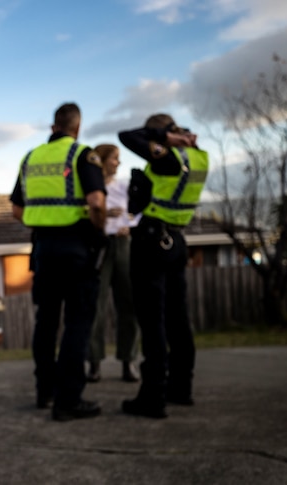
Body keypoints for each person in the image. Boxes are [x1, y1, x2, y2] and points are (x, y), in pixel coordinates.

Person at [10, 102, 107, 422]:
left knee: (46, 323)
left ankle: (45, 392)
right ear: (77, 127)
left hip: (44, 249)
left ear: (54, 125)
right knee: (78, 322)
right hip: (78, 247)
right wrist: (98, 227)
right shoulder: (83, 154)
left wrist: (44, 220)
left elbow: (17, 210)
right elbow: (96, 201)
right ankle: (69, 399)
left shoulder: (31, 157)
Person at [118, 114, 209, 419]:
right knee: (177, 319)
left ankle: (153, 396)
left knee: (152, 320)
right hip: (176, 241)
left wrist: (163, 136)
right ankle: (181, 388)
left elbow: (126, 136)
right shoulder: (196, 156)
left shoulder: (169, 157)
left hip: (152, 241)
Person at [86, 144, 141, 383]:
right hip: (99, 246)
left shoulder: (124, 187)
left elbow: (139, 212)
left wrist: (130, 225)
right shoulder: (91, 187)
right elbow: (86, 211)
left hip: (123, 246)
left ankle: (128, 362)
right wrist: (104, 215)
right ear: (103, 160)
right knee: (95, 306)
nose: (118, 163)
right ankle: (95, 363)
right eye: (114, 158)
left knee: (128, 304)